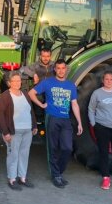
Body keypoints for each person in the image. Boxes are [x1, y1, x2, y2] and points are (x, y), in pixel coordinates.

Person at [28, 59, 83, 188]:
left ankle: (58, 171)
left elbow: (74, 104)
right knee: (52, 147)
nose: (61, 70)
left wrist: (80, 122)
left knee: (67, 148)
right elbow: (31, 93)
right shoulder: (48, 82)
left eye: (63, 68)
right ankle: (56, 175)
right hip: (52, 117)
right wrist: (41, 104)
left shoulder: (70, 85)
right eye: (58, 68)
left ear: (65, 69)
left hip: (65, 119)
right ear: (55, 69)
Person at [0, 71, 38, 191]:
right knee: (13, 155)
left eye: (18, 80)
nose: (16, 83)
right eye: (14, 81)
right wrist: (5, 132)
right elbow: (0, 116)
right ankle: (12, 179)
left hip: (27, 130)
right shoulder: (5, 96)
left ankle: (23, 177)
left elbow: (30, 111)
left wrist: (34, 126)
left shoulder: (25, 94)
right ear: (9, 83)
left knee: (24, 154)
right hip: (14, 131)